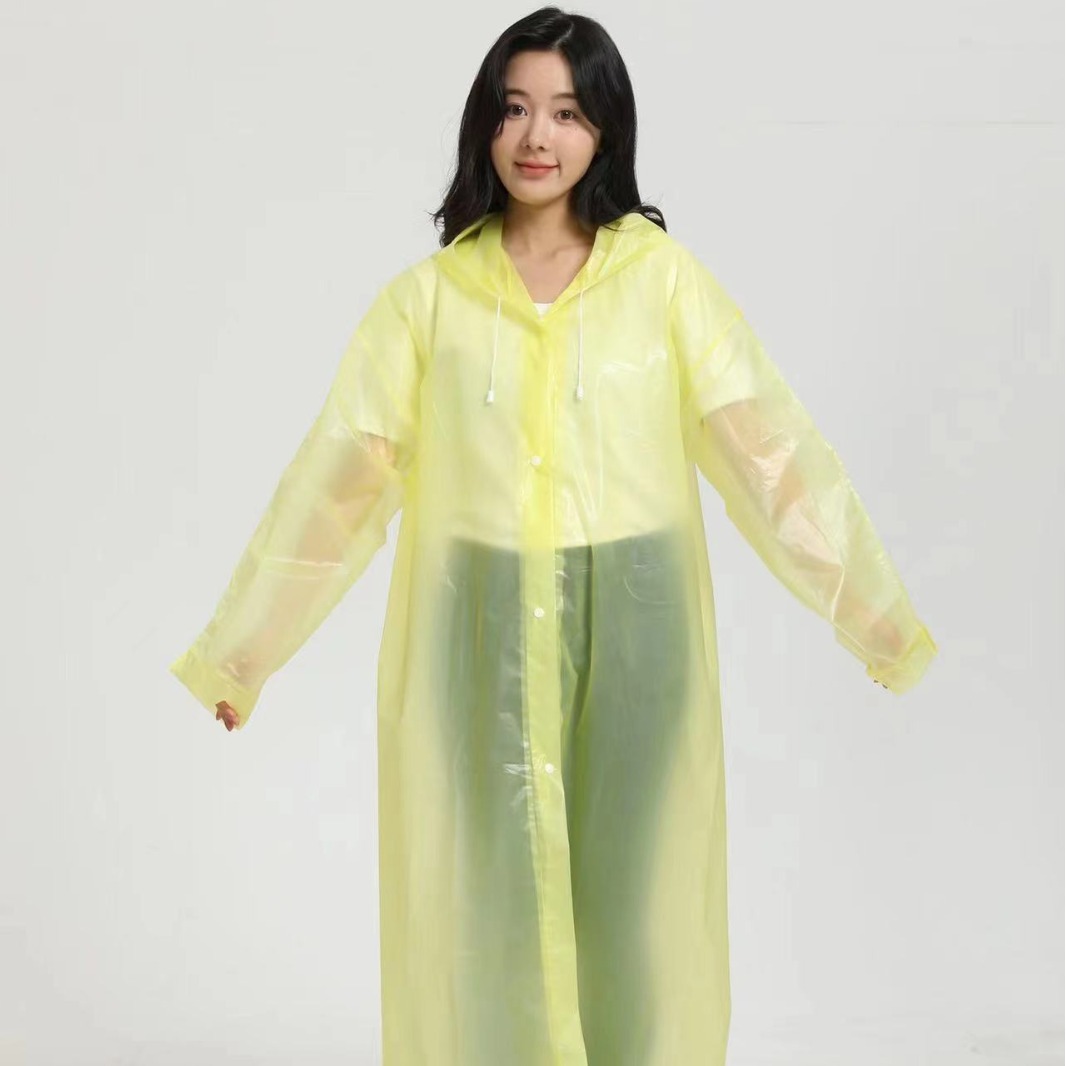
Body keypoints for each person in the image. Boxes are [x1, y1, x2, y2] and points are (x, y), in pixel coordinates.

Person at [170, 7, 938, 1064]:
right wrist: (243, 653)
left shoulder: (660, 281)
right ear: (483, 125)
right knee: (488, 904)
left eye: (568, 113)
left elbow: (768, 454)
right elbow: (338, 484)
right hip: (475, 627)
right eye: (516, 108)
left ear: (605, 131)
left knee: (633, 902)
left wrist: (876, 620)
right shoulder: (427, 304)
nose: (538, 136)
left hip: (638, 623)